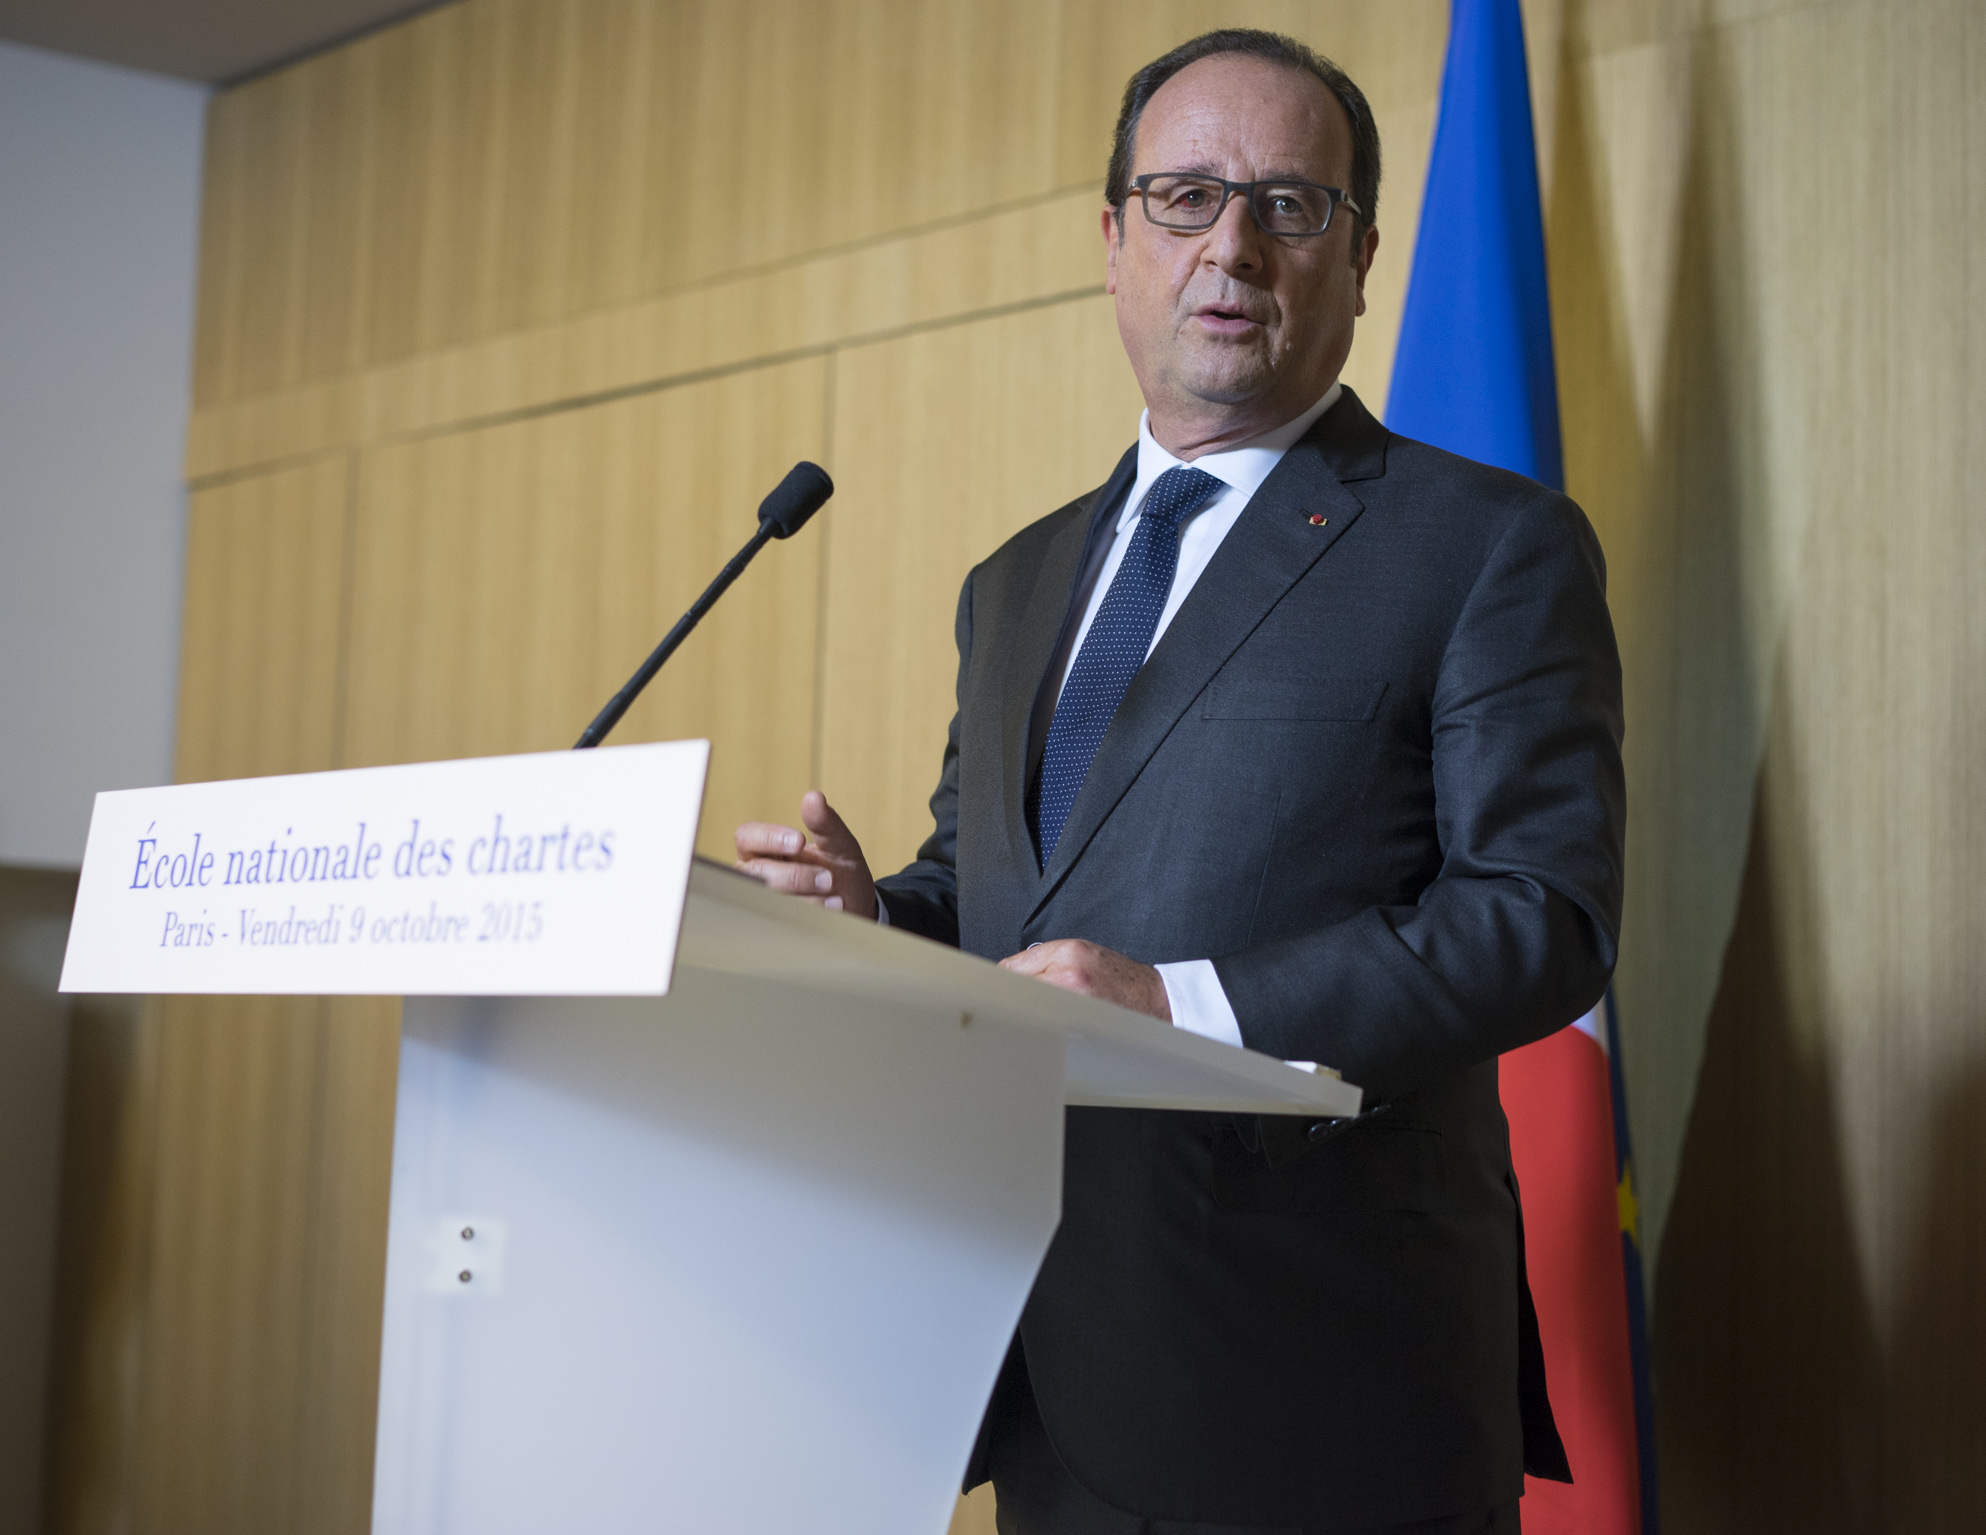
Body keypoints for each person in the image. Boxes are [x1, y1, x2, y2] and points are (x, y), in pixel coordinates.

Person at [736, 27, 1623, 1535]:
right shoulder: (1013, 582)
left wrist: (1185, 1007)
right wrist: (869, 913)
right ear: (1111, 242)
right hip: (1041, 1348)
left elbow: (1536, 919)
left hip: (1322, 1380)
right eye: (1184, 196)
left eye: (1289, 206)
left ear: (1359, 260)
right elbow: (1003, 902)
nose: (1232, 246)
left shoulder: (1484, 544)